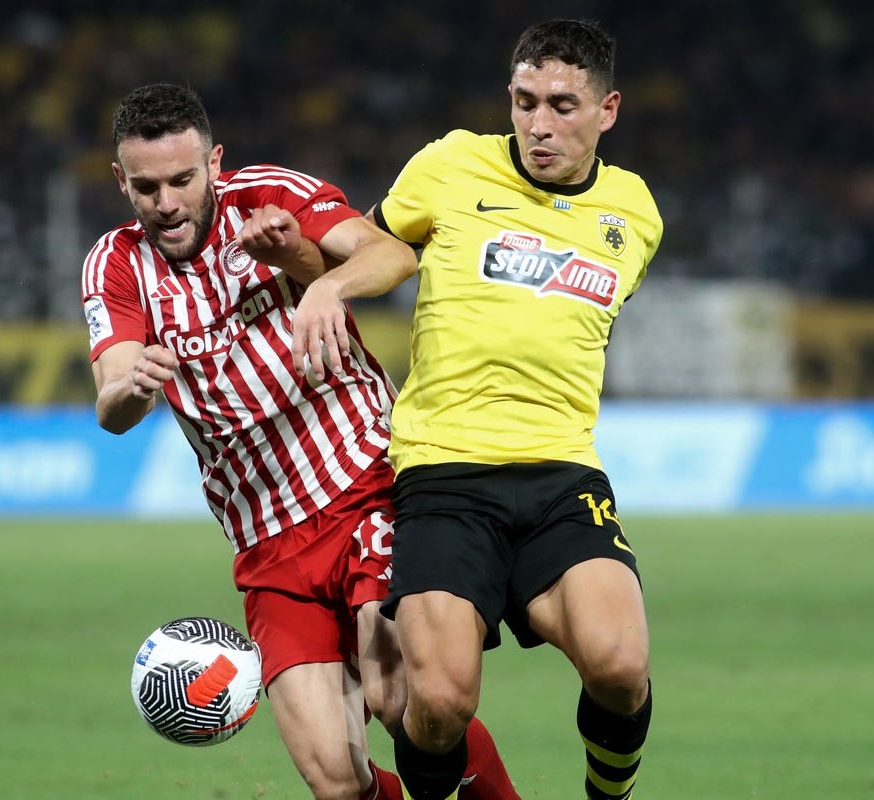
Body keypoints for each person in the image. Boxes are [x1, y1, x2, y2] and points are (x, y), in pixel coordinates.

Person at [81, 84, 519, 800]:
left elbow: (392, 257)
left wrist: (321, 281)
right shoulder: (115, 263)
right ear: (120, 181)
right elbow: (112, 403)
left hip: (367, 486)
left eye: (183, 180)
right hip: (267, 544)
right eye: (147, 187)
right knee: (336, 781)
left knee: (399, 698)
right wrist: (133, 387)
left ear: (214, 164)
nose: (167, 203)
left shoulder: (270, 197)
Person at [289, 20, 662, 800]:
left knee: (622, 667)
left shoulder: (635, 213)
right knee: (439, 703)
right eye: (525, 102)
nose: (539, 124)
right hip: (445, 475)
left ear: (608, 110)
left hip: (562, 473)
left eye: (562, 105)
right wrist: (324, 279)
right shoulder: (452, 163)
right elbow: (378, 248)